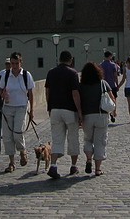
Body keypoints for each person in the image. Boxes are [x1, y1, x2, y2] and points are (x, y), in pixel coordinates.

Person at [44, 50, 83, 179]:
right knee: (73, 138)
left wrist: (49, 107)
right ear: (70, 60)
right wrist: (79, 111)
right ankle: (73, 166)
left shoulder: (51, 72)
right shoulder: (72, 73)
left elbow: (47, 92)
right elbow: (75, 93)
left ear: (60, 59)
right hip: (69, 110)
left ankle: (53, 166)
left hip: (55, 109)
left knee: (57, 139)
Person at [0, 52, 34, 173]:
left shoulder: (26, 75)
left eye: (16, 63)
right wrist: (2, 94)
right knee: (7, 136)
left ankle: (22, 151)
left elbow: (31, 93)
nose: (14, 66)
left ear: (20, 63)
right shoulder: (6, 74)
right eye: (12, 63)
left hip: (21, 106)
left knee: (17, 132)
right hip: (7, 107)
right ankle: (11, 162)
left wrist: (32, 109)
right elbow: (0, 89)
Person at [78, 62, 114, 176]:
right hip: (101, 116)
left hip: (87, 116)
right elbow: (112, 98)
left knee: (88, 140)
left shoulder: (81, 86)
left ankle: (89, 159)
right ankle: (97, 169)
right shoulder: (103, 83)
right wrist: (113, 112)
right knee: (100, 142)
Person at [99, 51, 119, 123]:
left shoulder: (100, 65)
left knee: (104, 100)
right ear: (110, 56)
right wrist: (117, 84)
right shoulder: (113, 65)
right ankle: (114, 112)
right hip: (112, 85)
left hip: (103, 85)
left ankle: (107, 114)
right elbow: (115, 76)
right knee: (113, 99)